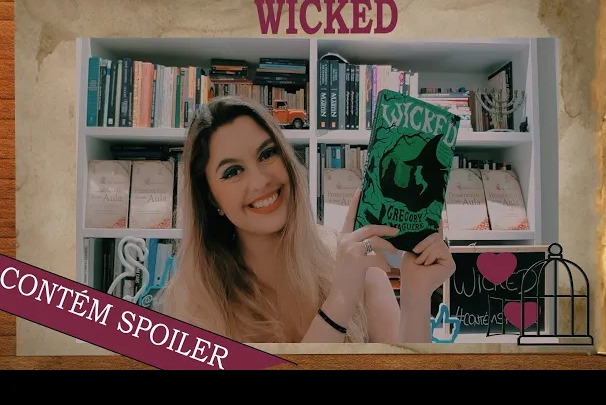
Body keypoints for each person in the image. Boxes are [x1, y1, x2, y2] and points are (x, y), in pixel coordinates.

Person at [157, 96, 456, 344]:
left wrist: (416, 296)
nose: (260, 181)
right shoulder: (192, 301)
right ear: (211, 198)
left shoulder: (357, 264)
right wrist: (341, 299)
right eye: (233, 172)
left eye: (267, 154)